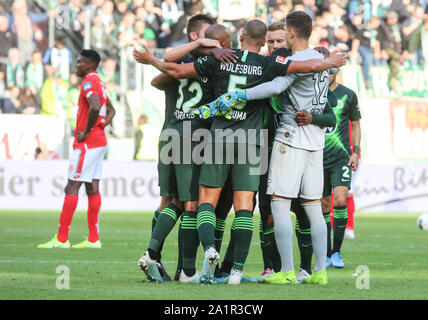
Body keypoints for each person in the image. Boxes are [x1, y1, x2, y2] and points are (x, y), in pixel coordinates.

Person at [133, 17, 346, 285]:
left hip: (211, 135)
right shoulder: (269, 63)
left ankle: (193, 260)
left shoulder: (221, 59)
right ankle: (236, 272)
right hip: (254, 142)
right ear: (263, 41)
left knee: (195, 203)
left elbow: (170, 73)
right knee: (246, 207)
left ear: (240, 35)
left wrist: (151, 58)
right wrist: (329, 61)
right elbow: (306, 66)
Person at [211, 11, 347, 285]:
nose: (282, 35)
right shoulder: (322, 60)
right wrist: (326, 54)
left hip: (290, 139)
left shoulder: (298, 61)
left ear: (292, 32)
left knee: (280, 204)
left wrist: (241, 94)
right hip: (315, 142)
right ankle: (319, 272)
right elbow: (330, 68)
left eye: (285, 30)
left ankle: (285, 271)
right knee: (312, 207)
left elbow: (275, 87)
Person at [135, 15, 236, 284]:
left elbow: (159, 79)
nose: (214, 41)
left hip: (172, 131)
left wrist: (169, 68)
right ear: (196, 37)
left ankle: (155, 256)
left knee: (172, 202)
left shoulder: (183, 63)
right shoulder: (212, 63)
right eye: (207, 35)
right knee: (191, 203)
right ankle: (185, 270)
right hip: (193, 134)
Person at [37, 50, 116, 249]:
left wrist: (87, 130)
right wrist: (99, 127)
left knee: (72, 186)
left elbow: (95, 107)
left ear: (90, 65)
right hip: (99, 141)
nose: (76, 65)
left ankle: (62, 239)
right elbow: (111, 110)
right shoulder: (101, 82)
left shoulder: (89, 82)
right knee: (92, 187)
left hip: (88, 143)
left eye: (80, 62)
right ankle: (93, 238)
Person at [322, 67, 361, 268]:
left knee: (339, 200)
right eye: (324, 70)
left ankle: (336, 252)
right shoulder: (312, 94)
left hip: (341, 158)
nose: (328, 74)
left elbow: (355, 124)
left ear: (336, 72)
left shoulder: (348, 95)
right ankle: (326, 253)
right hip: (316, 158)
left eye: (331, 70)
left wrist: (355, 152)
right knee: (323, 206)